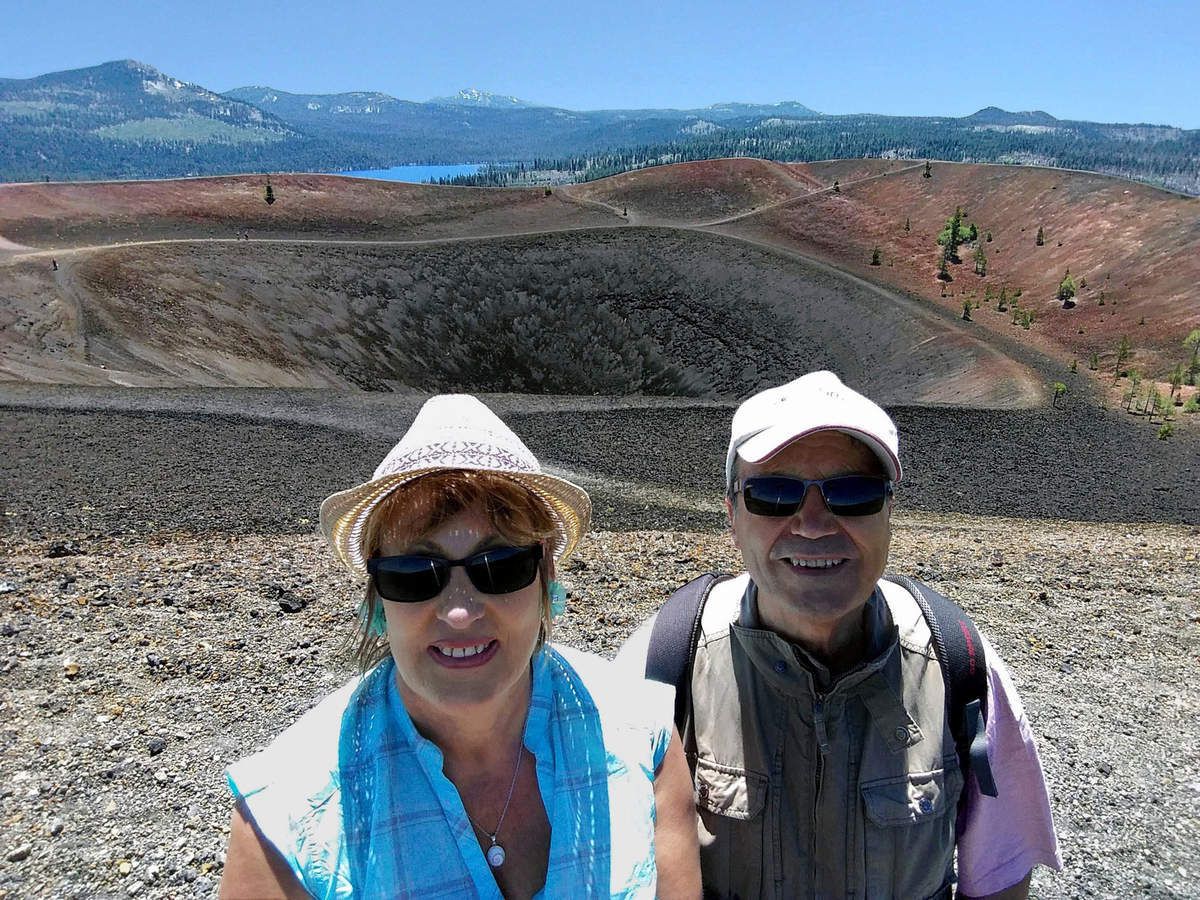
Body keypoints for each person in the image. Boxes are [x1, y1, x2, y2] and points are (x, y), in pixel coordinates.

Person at [219, 394, 700, 899]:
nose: (460, 613)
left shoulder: (644, 737)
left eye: (500, 567)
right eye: (413, 575)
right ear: (378, 601)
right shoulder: (284, 817)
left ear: (545, 581)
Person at [618, 371, 1062, 899]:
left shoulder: (960, 661)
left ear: (889, 512)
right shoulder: (661, 662)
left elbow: (1001, 876)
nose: (812, 523)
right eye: (774, 494)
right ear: (732, 515)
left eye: (853, 494)